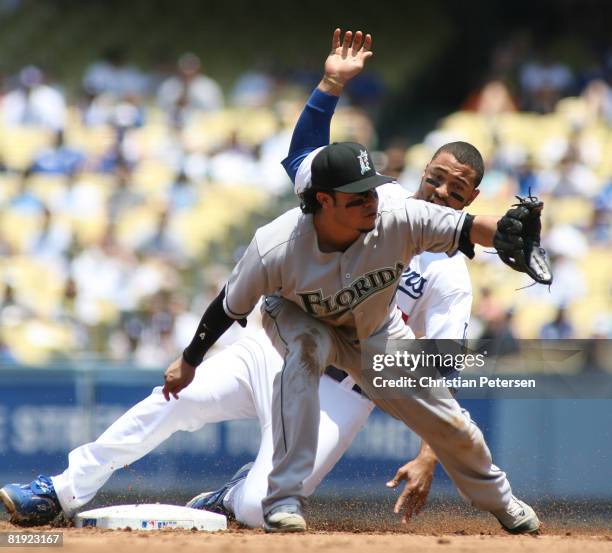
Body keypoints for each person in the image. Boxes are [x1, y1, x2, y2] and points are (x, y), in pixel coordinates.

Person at [1, 29, 541, 536]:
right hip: (275, 348)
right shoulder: (356, 203)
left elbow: (442, 354)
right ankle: (61, 490)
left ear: (469, 196)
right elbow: (302, 156)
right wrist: (330, 85)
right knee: (173, 401)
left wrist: (430, 450)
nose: (442, 191)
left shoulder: (422, 245)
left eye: (457, 187)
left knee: (265, 510)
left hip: (347, 391)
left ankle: (232, 496)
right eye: (436, 177)